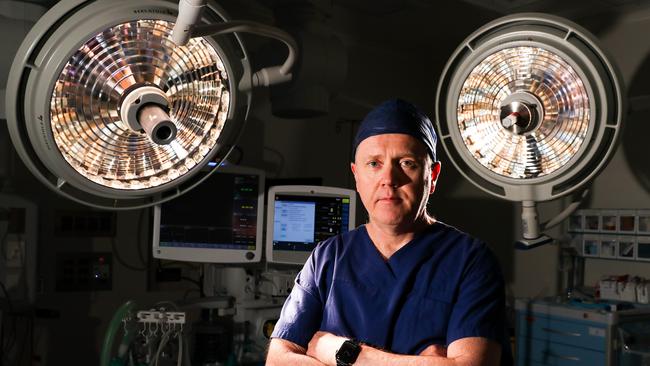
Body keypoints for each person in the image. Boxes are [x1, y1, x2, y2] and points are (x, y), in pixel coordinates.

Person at [266, 99, 512, 366]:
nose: (389, 179)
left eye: (407, 163)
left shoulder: (470, 262)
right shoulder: (328, 258)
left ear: (433, 176)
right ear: (356, 175)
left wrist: (338, 351)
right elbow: (278, 360)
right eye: (374, 164)